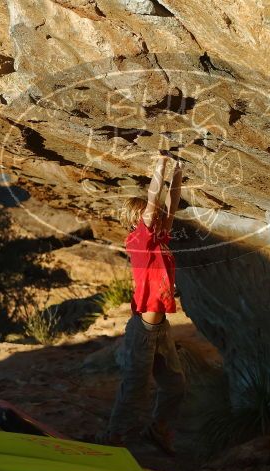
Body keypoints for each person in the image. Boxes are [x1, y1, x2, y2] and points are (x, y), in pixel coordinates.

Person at [100, 154, 186, 455]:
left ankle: (157, 429)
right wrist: (160, 167)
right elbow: (153, 202)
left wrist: (177, 174)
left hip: (160, 326)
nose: (159, 216)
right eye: (152, 215)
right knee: (136, 387)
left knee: (175, 385)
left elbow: (171, 203)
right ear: (138, 220)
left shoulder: (160, 237)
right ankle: (114, 439)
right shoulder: (139, 239)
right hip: (144, 327)